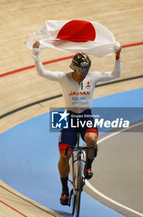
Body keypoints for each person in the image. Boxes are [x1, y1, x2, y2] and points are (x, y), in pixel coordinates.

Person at [32, 41, 122, 205]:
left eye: (86, 70)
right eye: (81, 70)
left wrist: (117, 56)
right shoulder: (63, 78)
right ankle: (65, 190)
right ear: (74, 67)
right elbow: (42, 72)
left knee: (92, 140)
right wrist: (36, 55)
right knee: (64, 155)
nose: (84, 73)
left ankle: (88, 166)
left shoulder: (92, 77)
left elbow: (115, 74)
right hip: (68, 117)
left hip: (86, 116)